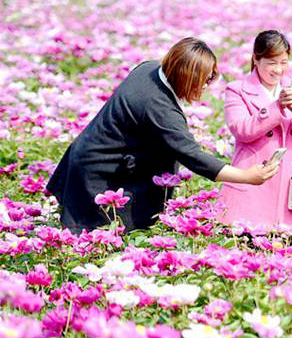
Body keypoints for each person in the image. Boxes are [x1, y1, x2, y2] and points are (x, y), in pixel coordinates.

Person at [46, 37, 277, 232]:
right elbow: (193, 156)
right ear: (186, 77)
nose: (208, 85)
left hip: (89, 156)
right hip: (99, 175)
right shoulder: (160, 108)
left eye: (212, 76)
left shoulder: (150, 69)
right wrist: (247, 177)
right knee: (99, 236)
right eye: (205, 78)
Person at [218, 30, 292, 232]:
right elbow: (242, 130)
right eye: (271, 62)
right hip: (254, 184)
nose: (278, 70)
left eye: (284, 62)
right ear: (256, 59)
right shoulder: (237, 90)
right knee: (249, 250)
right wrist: (277, 108)